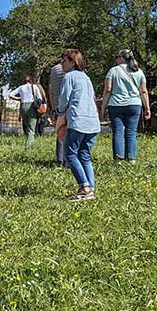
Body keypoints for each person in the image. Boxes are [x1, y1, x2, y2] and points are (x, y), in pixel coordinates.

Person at [55, 50, 101, 201]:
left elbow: (64, 99)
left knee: (70, 154)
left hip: (77, 120)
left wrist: (59, 112)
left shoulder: (69, 77)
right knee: (85, 155)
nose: (62, 63)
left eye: (64, 60)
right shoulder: (86, 78)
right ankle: (91, 188)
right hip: (93, 121)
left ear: (72, 62)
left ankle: (84, 187)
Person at [99, 49, 152, 164]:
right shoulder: (139, 71)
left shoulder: (113, 71)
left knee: (118, 131)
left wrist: (103, 107)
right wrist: (147, 107)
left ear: (122, 58)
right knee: (131, 132)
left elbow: (108, 90)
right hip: (134, 105)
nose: (116, 59)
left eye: (117, 57)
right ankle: (131, 159)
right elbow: (143, 91)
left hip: (116, 105)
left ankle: (118, 159)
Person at [11, 74, 46, 146]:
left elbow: (10, 95)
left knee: (26, 125)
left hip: (23, 106)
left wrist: (18, 99)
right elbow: (40, 98)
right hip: (31, 107)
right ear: (31, 80)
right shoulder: (34, 87)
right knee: (31, 128)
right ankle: (29, 145)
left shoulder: (20, 87)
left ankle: (27, 140)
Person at [49, 60, 66, 165]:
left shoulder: (53, 70)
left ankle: (59, 159)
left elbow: (51, 91)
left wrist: (53, 106)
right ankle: (68, 160)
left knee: (60, 133)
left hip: (57, 106)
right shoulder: (71, 71)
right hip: (69, 106)